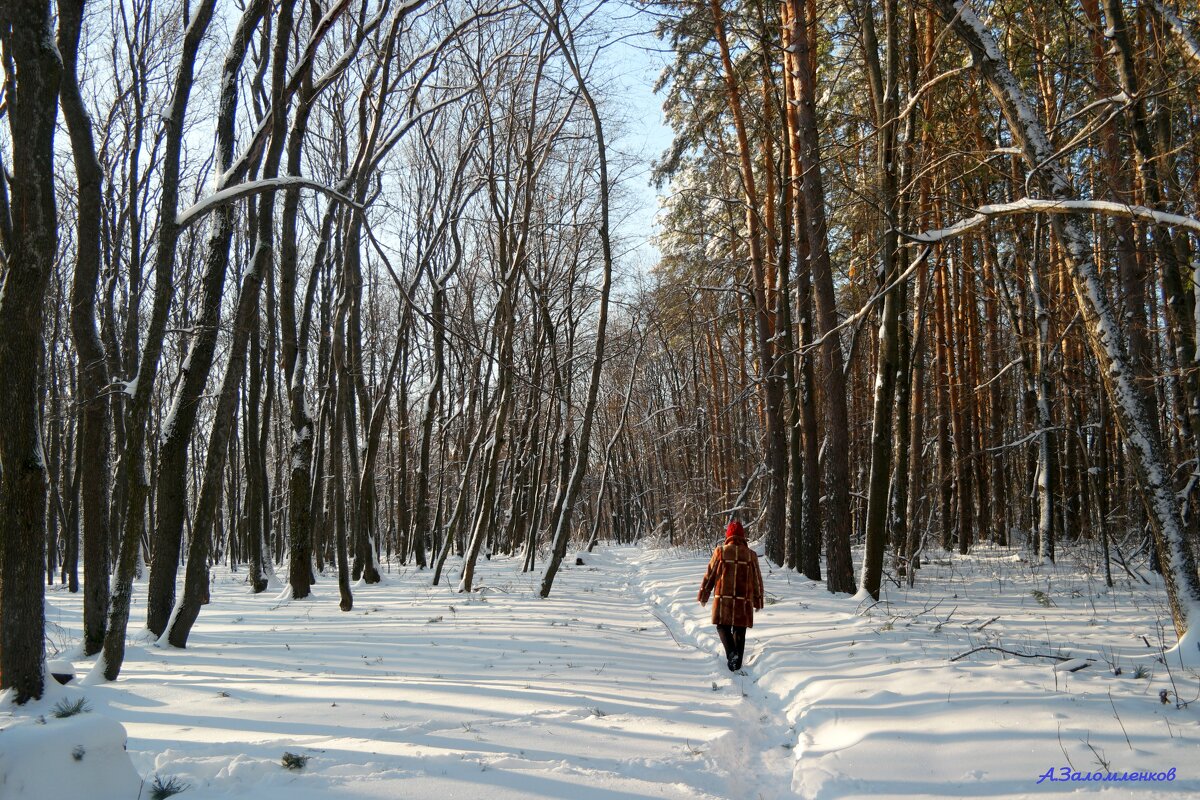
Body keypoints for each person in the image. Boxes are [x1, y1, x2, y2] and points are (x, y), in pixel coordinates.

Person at [697, 518, 765, 671]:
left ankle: (731, 653)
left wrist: (704, 595)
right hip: (743, 600)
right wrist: (758, 600)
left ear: (728, 535)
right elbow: (757, 580)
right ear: (743, 537)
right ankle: (737, 662)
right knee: (740, 629)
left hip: (724, 600)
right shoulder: (750, 555)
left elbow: (710, 575)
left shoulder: (720, 551)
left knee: (722, 626)